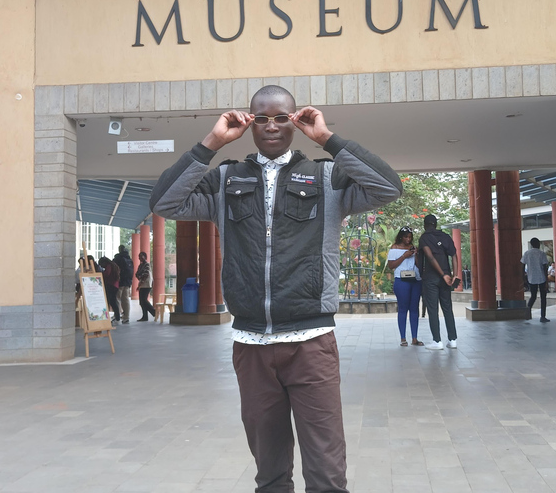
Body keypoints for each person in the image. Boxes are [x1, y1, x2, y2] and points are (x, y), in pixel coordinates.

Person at [149, 85, 402, 492]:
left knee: (326, 472)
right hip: (252, 346)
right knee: (269, 473)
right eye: (262, 118)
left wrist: (327, 138)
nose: (271, 126)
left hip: (311, 344)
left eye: (281, 118)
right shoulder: (225, 179)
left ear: (294, 121)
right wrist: (211, 142)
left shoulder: (326, 177)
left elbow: (388, 187)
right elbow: (164, 203)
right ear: (249, 123)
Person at [418, 214, 460, 350]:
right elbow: (454, 255)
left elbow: (430, 257)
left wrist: (442, 275)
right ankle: (452, 340)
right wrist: (454, 275)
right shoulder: (445, 237)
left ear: (425, 225)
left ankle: (437, 341)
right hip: (446, 278)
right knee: (447, 308)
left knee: (433, 309)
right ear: (435, 224)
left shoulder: (424, 238)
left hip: (431, 278)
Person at [387, 226, 423, 346]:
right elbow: (391, 265)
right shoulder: (394, 248)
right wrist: (404, 256)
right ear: (401, 237)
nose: (408, 239)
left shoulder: (413, 248)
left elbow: (419, 265)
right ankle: (403, 338)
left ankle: (414, 338)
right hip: (401, 280)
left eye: (410, 237)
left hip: (415, 280)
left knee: (414, 309)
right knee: (403, 308)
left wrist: (415, 254)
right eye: (406, 237)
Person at [521, 237, 550, 323]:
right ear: (538, 244)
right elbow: (545, 267)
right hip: (541, 277)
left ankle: (527, 314)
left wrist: (523, 278)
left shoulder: (527, 253)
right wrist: (546, 280)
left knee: (533, 296)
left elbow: (522, 266)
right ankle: (543, 316)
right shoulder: (542, 253)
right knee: (543, 298)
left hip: (531, 277)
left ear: (531, 244)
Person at [113, 245, 134, 324]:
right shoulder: (129, 259)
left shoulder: (118, 258)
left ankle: (117, 316)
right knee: (126, 299)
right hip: (127, 282)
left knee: (117, 299)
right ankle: (126, 317)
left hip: (119, 282)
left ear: (119, 250)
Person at [98, 256, 120, 323]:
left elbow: (106, 274)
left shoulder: (109, 266)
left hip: (111, 285)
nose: (102, 266)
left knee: (111, 302)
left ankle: (116, 317)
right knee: (113, 302)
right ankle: (117, 317)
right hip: (115, 285)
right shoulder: (113, 265)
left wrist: (101, 273)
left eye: (101, 265)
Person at [135, 251, 156, 322]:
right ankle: (145, 316)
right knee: (142, 302)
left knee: (144, 300)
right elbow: (137, 274)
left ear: (145, 257)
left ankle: (154, 312)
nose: (139, 258)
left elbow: (145, 275)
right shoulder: (140, 266)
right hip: (142, 284)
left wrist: (141, 280)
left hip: (146, 285)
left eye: (141, 256)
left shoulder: (147, 264)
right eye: (139, 257)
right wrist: (140, 277)